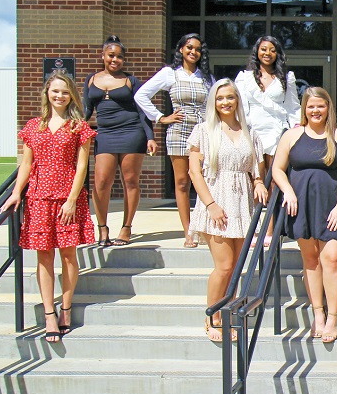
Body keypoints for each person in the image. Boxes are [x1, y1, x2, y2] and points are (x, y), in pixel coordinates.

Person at [1, 73, 96, 342]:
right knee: (44, 257)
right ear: (47, 93)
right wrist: (16, 193)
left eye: (65, 92)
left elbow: (81, 167)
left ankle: (66, 308)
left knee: (68, 256)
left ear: (72, 96)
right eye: (55, 91)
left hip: (68, 199)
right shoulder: (34, 126)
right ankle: (49, 314)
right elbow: (27, 164)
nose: (59, 96)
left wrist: (71, 199)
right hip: (39, 199)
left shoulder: (79, 127)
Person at [272, 87, 337, 344]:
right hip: (301, 207)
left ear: (328, 108)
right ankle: (317, 314)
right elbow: (278, 169)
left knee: (331, 259)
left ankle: (333, 317)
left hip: (333, 206)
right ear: (304, 109)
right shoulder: (292, 135)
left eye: (320, 106)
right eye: (311, 106)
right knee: (311, 260)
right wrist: (287, 191)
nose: (316, 111)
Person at [187, 79, 268, 342]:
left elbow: (256, 170)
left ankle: (230, 316)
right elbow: (194, 172)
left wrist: (258, 183)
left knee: (236, 268)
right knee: (223, 266)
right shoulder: (203, 131)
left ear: (237, 101)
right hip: (216, 201)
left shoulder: (249, 132)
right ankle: (212, 318)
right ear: (214, 102)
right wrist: (211, 205)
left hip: (241, 204)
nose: (225, 102)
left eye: (230, 98)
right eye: (220, 98)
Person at [136, 33, 214, 248]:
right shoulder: (170, 73)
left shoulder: (206, 77)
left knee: (205, 181)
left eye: (197, 49)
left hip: (203, 132)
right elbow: (141, 95)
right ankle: (188, 232)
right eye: (189, 47)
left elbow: (216, 102)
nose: (193, 52)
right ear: (181, 49)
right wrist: (161, 117)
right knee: (182, 182)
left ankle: (206, 227)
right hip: (179, 131)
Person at [83, 35, 157, 246]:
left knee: (130, 181)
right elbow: (87, 110)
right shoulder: (91, 79)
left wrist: (150, 137)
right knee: (101, 182)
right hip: (105, 134)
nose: (115, 60)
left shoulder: (131, 81)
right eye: (111, 55)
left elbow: (142, 111)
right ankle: (103, 228)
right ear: (103, 55)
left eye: (120, 57)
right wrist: (75, 125)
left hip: (132, 133)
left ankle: (126, 228)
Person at [235, 35, 300, 247]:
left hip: (276, 133)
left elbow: (293, 107)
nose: (267, 53)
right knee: (253, 181)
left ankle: (270, 230)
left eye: (272, 50)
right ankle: (252, 229)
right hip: (252, 133)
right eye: (264, 49)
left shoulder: (286, 77)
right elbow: (241, 109)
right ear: (257, 51)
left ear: (277, 53)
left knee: (273, 183)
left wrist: (297, 129)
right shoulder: (244, 78)